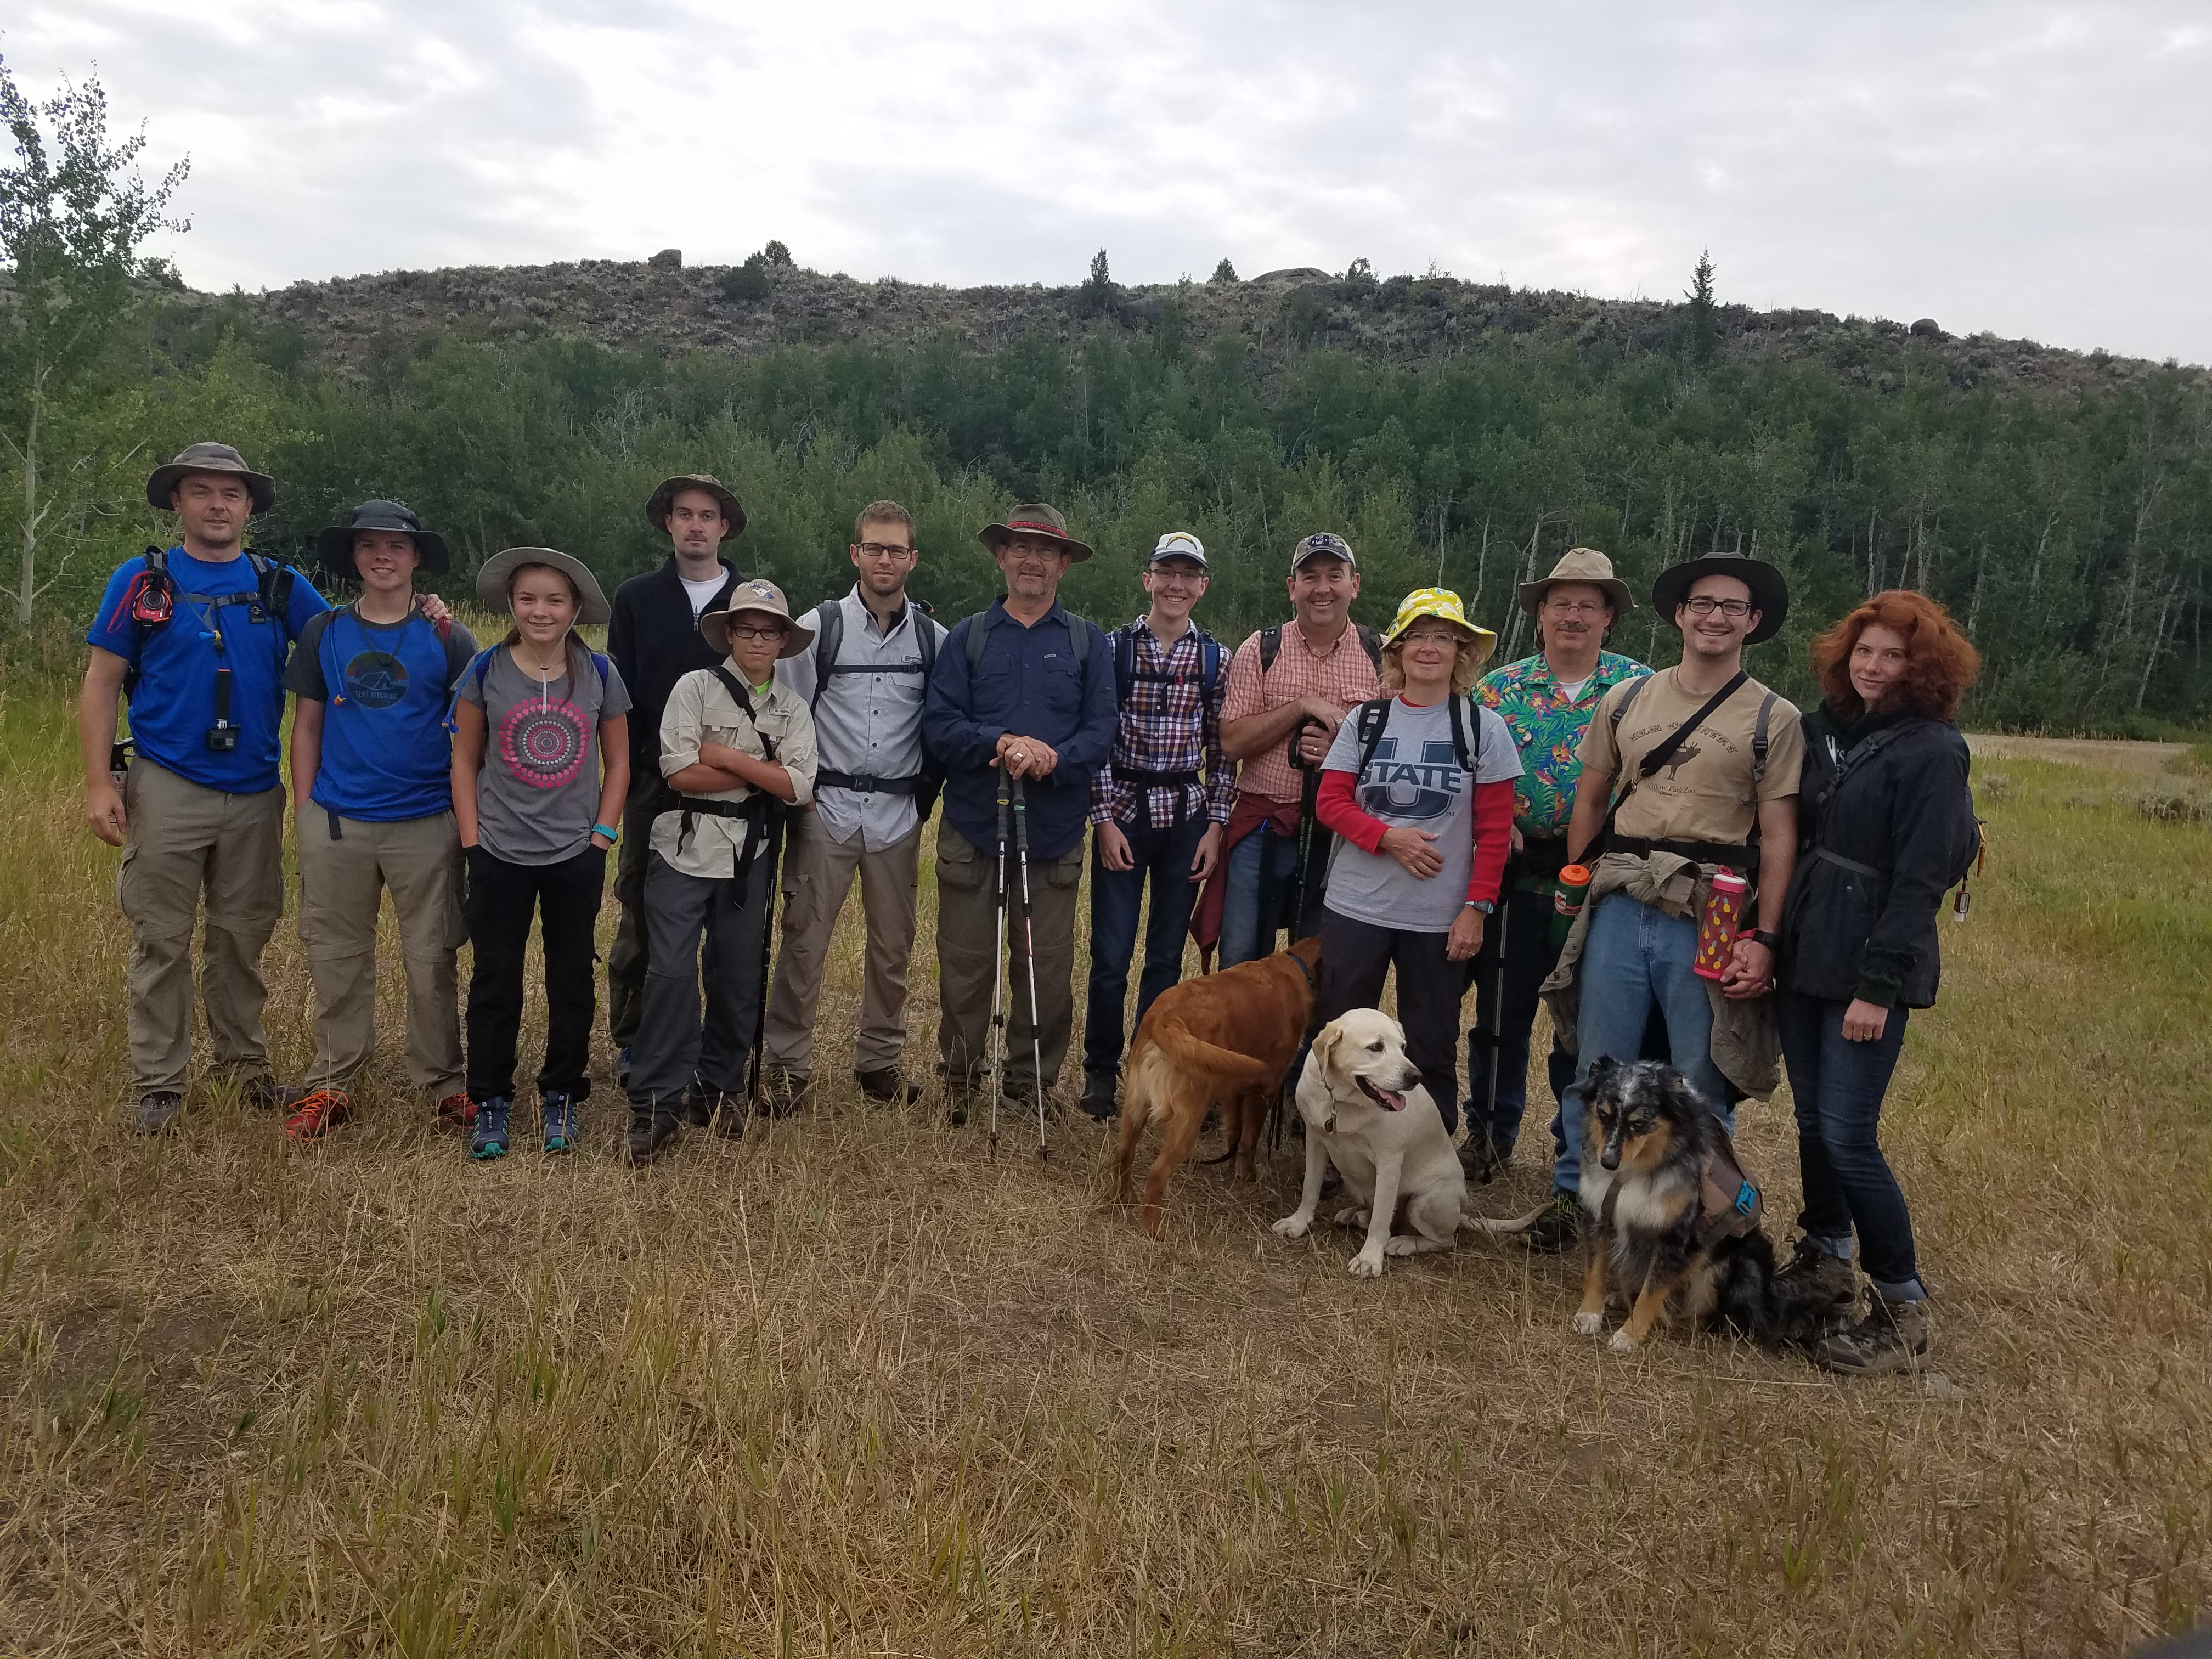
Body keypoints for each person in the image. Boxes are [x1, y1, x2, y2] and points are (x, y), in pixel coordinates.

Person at [1534, 550, 1805, 1251]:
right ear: (1680, 616)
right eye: (1703, 605)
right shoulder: (1626, 701)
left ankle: (1695, 1220)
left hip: (1710, 912)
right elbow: (1592, 797)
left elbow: (1778, 838)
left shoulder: (1774, 719)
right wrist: (1577, 889)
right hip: (1621, 900)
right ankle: (1578, 1199)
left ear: (1754, 622)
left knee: (1700, 1075)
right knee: (1597, 1063)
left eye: (1732, 608)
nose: (1716, 617)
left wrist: (1765, 937)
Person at [80, 443, 329, 1133]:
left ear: (250, 507)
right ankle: (160, 1083)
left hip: (254, 788)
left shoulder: (279, 585)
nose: (218, 505)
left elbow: (349, 644)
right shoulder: (141, 581)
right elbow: (102, 683)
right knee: (161, 937)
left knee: (241, 937)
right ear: (176, 502)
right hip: (167, 784)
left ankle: (244, 1069)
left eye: (232, 494)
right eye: (201, 491)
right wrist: (101, 783)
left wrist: (428, 617)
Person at [1776, 590, 1978, 1375]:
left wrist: (1879, 986)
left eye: (1893, 656)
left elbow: (1922, 878)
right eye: (1864, 652)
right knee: (1812, 1124)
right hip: (1807, 953)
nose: (1874, 666)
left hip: (1869, 965)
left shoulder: (1933, 750)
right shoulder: (1826, 734)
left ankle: (1901, 1305)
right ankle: (1827, 1257)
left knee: (1851, 1135)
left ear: (1922, 667)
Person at [281, 500, 478, 1141]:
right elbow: (307, 723)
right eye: (369, 546)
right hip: (337, 822)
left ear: (417, 557)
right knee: (338, 956)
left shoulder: (447, 635)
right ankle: (333, 1084)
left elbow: (473, 730)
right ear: (354, 559)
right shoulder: (325, 632)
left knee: (431, 959)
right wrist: (309, 809)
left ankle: (444, 1083)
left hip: (424, 820)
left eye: (397, 546)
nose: (383, 557)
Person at [1461, 549, 1649, 1179]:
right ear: (1540, 614)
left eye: (1587, 605)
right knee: (1499, 1019)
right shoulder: (1497, 689)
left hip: (1601, 887)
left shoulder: (1641, 690)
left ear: (1609, 617)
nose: (1573, 616)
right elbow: (1464, 773)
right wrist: (1495, 824)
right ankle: (1488, 1136)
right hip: (1513, 879)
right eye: (1561, 603)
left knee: (1584, 1032)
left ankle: (1579, 1155)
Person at [923, 504, 1116, 1115]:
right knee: (965, 961)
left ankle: (1028, 1086)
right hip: (975, 826)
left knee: (1046, 967)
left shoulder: (1088, 643)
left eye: (1046, 550)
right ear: (1001, 556)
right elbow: (940, 724)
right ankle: (959, 1079)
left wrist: (1054, 758)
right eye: (1020, 547)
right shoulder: (967, 637)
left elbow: (1103, 731)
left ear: (1064, 564)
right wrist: (999, 743)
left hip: (1053, 834)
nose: (1032, 559)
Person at [1310, 590, 1520, 1125]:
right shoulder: (1368, 722)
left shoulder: (1483, 729)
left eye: (1443, 638)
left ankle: (1428, 1165)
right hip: (1356, 909)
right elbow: (1330, 803)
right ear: (1398, 652)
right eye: (1416, 637)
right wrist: (1388, 837)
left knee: (1429, 1045)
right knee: (1342, 1040)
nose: (1428, 648)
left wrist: (1477, 909)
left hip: (1437, 919)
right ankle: (1337, 1151)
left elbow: (1495, 833)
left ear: (1461, 654)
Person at [625, 580, 818, 1161]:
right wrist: (765, 771)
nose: (758, 640)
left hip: (748, 858)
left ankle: (720, 1088)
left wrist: (729, 758)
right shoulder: (695, 688)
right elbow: (680, 773)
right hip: (682, 849)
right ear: (728, 634)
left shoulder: (793, 708)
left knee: (737, 979)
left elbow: (801, 786)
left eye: (769, 631)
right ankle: (657, 1100)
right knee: (671, 975)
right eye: (746, 629)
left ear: (784, 641)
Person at [763, 501, 945, 1113]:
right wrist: (802, 801)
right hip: (827, 811)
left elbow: (942, 727)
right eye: (874, 548)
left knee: (893, 947)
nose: (885, 559)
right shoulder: (819, 628)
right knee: (804, 943)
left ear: (912, 560)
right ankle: (787, 1066)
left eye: (896, 550)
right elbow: (785, 716)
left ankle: (881, 1062)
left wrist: (923, 802)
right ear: (855, 554)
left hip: (897, 816)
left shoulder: (932, 638)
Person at [450, 547, 630, 1161]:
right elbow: (465, 759)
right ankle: (491, 1100)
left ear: (576, 608)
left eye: (555, 600)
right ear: (511, 603)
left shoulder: (600, 674)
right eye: (528, 598)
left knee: (572, 978)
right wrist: (473, 841)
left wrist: (601, 836)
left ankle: (562, 1094)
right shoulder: (484, 671)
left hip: (573, 853)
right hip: (499, 849)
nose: (541, 611)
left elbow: (621, 762)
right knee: (495, 980)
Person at [1078, 531, 1232, 1121]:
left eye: (1188, 575)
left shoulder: (1217, 658)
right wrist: (1103, 819)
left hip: (1186, 817)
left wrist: (1216, 827)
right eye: (1166, 572)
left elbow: (1221, 753)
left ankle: (1155, 1068)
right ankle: (1099, 1071)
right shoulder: (1114, 650)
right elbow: (1096, 740)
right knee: (1111, 955)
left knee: (1166, 960)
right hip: (1123, 807)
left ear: (1202, 586)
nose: (1176, 584)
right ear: (1147, 579)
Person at [606, 475, 745, 1087]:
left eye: (707, 515)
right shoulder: (636, 599)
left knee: (729, 920)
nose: (695, 525)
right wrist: (643, 769)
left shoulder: (753, 600)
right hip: (650, 786)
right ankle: (637, 1039)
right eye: (684, 514)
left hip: (738, 789)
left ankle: (717, 1049)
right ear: (668, 522)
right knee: (641, 910)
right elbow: (621, 698)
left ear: (725, 526)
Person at [1206, 532, 1384, 969]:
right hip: (1262, 826)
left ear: (1354, 584)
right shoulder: (1261, 649)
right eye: (1310, 577)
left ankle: (1311, 1041)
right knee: (1243, 958)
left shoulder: (1382, 654)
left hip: (1340, 834)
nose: (1322, 588)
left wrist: (1341, 750)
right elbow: (1231, 741)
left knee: (1321, 961)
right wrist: (1299, 709)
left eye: (1334, 576)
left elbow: (1397, 752)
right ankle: (1242, 1040)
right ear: (1292, 587)